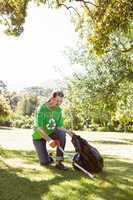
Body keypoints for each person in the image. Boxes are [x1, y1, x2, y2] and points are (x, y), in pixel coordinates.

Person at [32, 90, 68, 170]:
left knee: (62, 134)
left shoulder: (58, 110)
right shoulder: (41, 109)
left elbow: (59, 127)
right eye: (57, 100)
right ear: (52, 98)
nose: (59, 103)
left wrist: (69, 132)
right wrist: (49, 140)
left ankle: (59, 162)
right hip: (39, 136)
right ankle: (49, 157)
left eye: (61, 101)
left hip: (51, 133)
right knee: (45, 163)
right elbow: (39, 128)